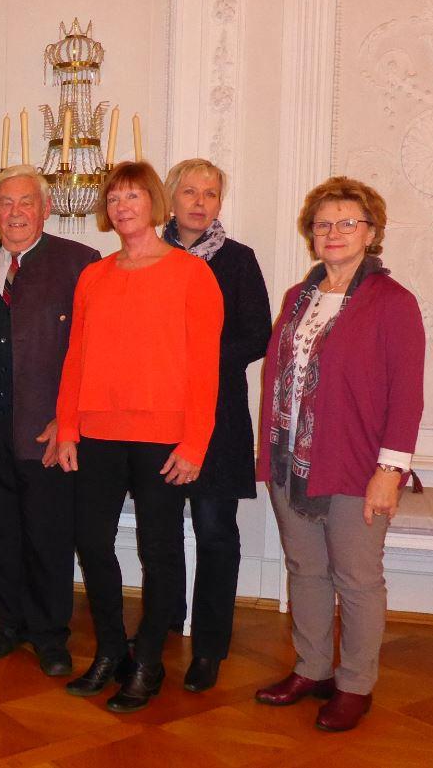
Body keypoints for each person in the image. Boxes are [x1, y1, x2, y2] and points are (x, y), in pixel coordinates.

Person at [254, 177, 425, 732]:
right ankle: (311, 669)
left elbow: (407, 392)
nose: (334, 232)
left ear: (371, 232)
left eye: (347, 222)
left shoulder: (393, 302)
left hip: (356, 464)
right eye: (324, 223)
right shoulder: (297, 297)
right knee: (306, 569)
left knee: (356, 577)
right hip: (292, 461)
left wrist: (390, 471)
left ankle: (354, 683)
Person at [56, 161, 223, 713]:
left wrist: (195, 443)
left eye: (133, 196)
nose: (122, 206)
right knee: (92, 542)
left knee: (160, 551)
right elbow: (74, 359)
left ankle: (148, 660)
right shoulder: (93, 276)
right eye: (114, 199)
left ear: (155, 203)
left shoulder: (191, 274)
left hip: (162, 439)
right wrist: (68, 427)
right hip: (99, 434)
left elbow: (206, 367)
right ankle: (110, 651)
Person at [0, 165, 98, 677]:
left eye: (26, 203)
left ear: (46, 208)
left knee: (48, 533)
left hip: (48, 431)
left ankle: (50, 633)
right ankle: (7, 622)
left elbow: (92, 349)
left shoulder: (80, 263)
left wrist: (69, 420)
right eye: (5, 203)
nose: (15, 212)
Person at [159, 159, 271, 692]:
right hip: (156, 417)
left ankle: (208, 647)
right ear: (170, 199)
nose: (200, 202)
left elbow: (256, 336)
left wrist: (195, 361)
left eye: (210, 193)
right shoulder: (146, 256)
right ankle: (162, 626)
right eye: (189, 192)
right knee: (160, 535)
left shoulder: (239, 260)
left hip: (219, 420)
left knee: (215, 533)